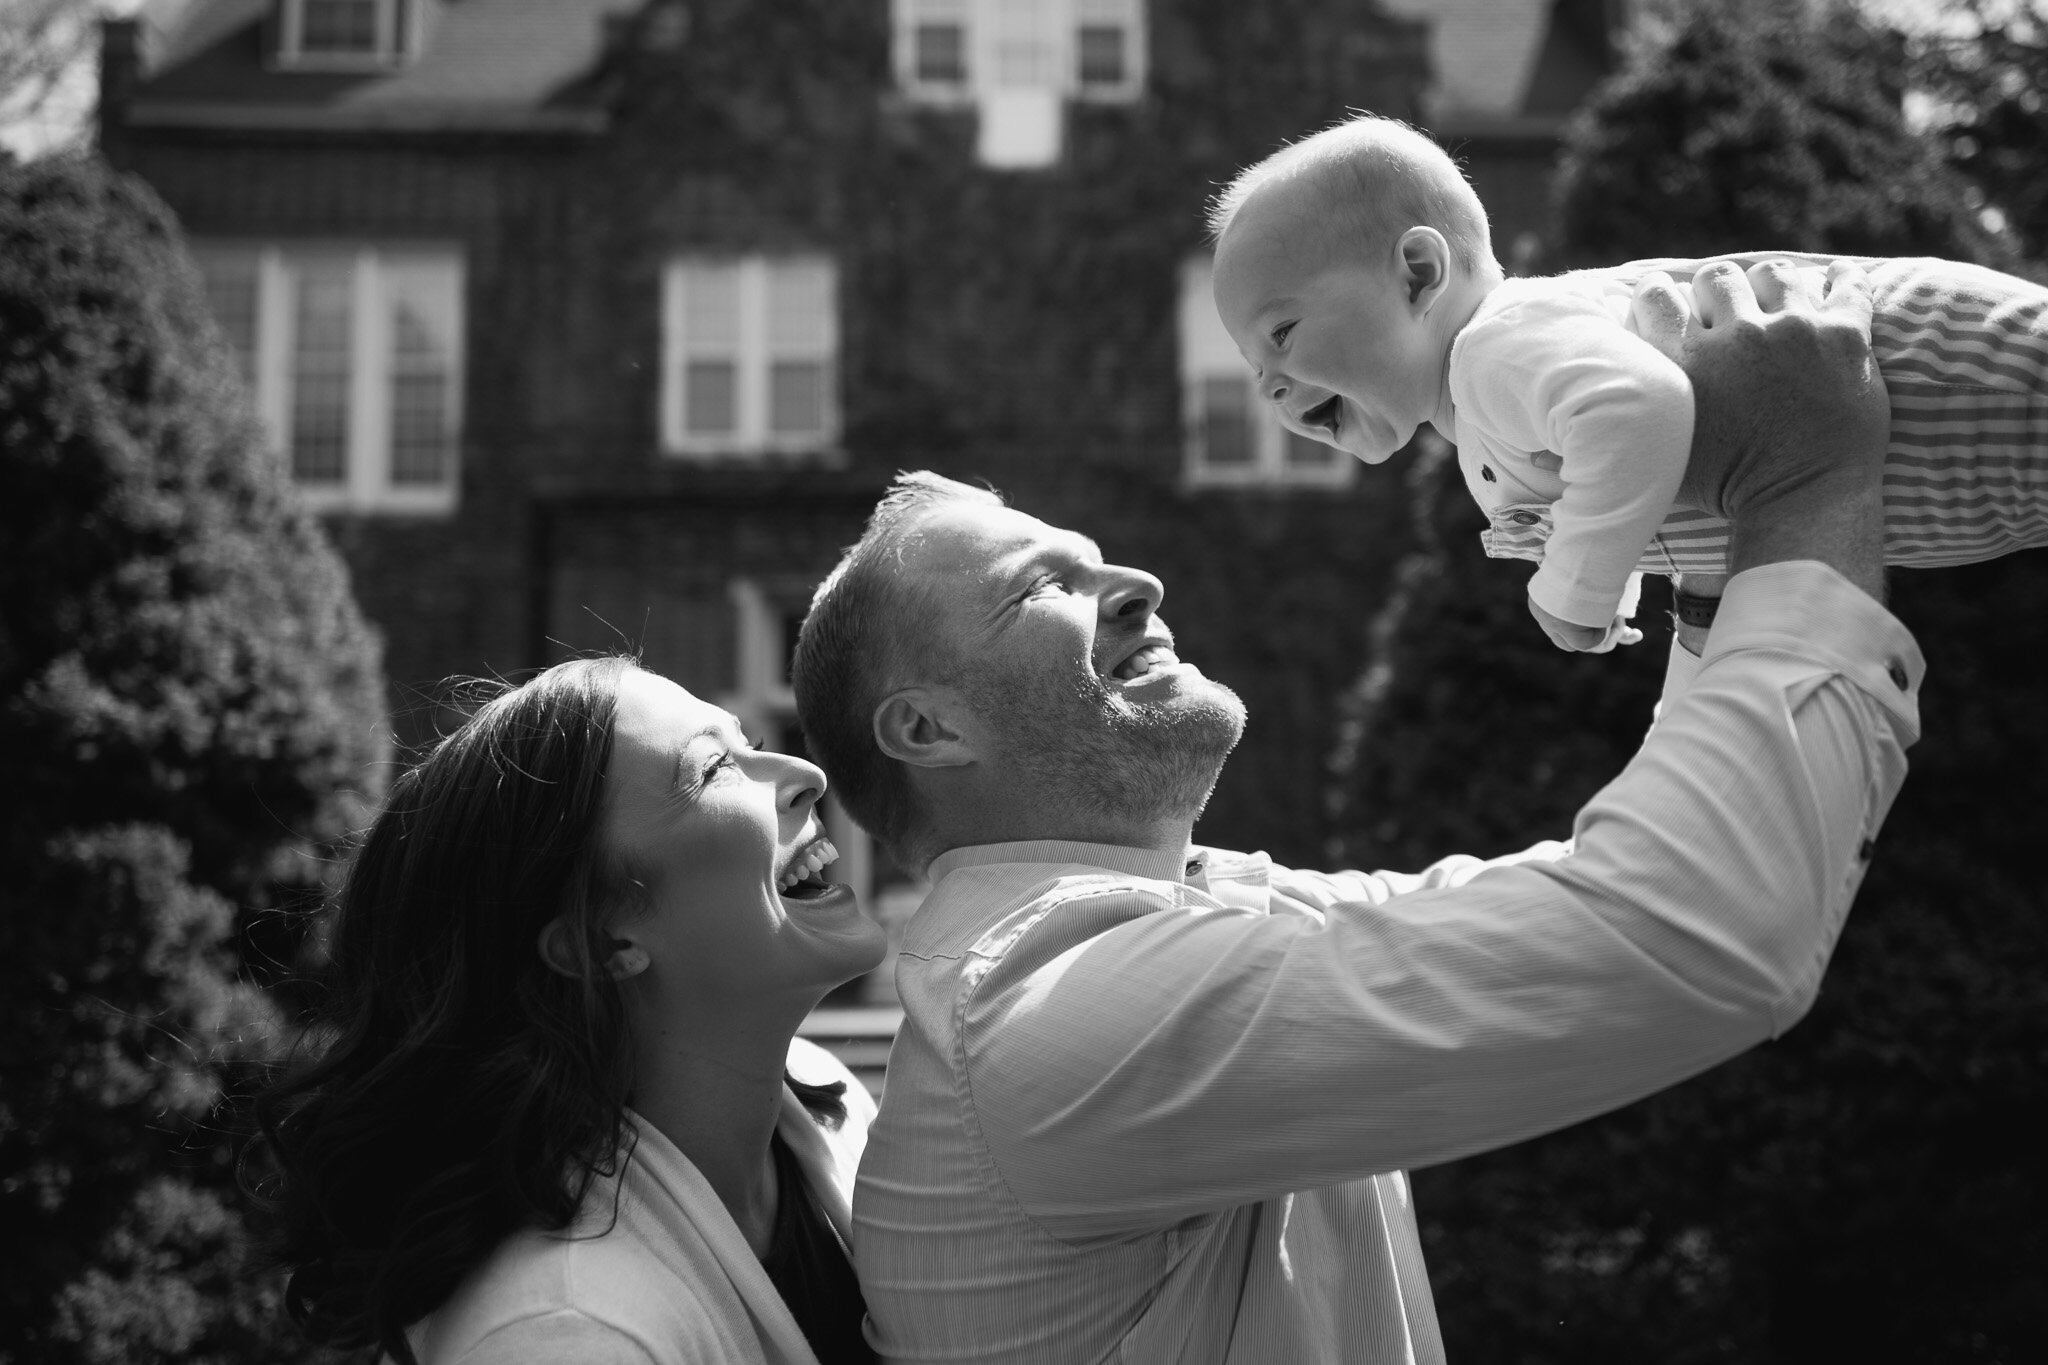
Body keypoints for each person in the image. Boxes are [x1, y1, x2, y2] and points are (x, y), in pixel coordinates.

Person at [787, 260, 1920, 1362]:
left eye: (1094, 561)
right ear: (928, 732)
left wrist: (1720, 573)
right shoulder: (1050, 1021)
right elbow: (1691, 929)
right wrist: (1800, 486)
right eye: (1043, 587)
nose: (1137, 584)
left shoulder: (1171, 925)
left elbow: (1592, 895)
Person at [1207, 112, 2048, 653]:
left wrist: (1577, 586)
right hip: (1973, 462)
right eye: (1256, 370)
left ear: (1419, 273)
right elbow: (1635, 470)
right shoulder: (1483, 413)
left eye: (1282, 333)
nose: (1273, 388)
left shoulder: (1494, 348)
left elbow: (1639, 407)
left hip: (1956, 373)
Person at [248, 657, 889, 1365]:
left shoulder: (830, 1105)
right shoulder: (562, 1334)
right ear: (598, 937)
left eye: (748, 742)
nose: (806, 773)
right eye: (713, 769)